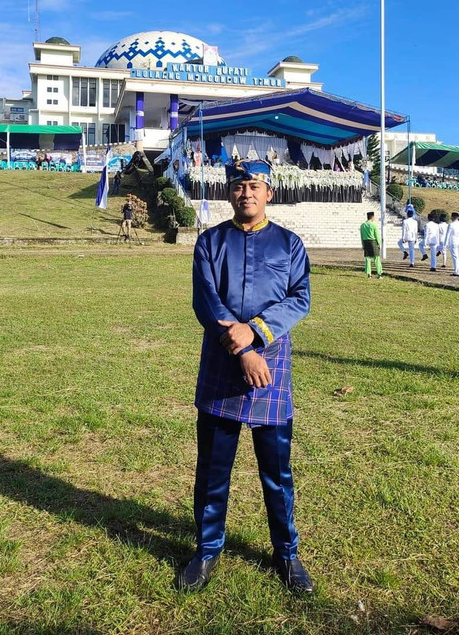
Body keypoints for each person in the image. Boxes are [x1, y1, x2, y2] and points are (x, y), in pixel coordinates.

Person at [178, 159, 313, 594]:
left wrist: (254, 335)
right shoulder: (209, 242)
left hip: (270, 369)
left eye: (255, 185)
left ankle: (287, 555)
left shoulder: (290, 245)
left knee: (277, 472)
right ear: (228, 193)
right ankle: (207, 548)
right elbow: (207, 302)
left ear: (269, 192)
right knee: (213, 470)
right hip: (223, 364)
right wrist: (242, 349)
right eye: (239, 186)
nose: (247, 193)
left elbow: (300, 299)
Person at [360, 211, 383, 278]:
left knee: (367, 258)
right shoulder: (374, 225)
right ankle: (379, 273)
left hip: (366, 242)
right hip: (373, 242)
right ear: (372, 217)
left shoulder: (363, 225)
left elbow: (361, 236)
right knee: (377, 258)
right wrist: (379, 243)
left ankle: (369, 274)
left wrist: (363, 244)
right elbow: (377, 235)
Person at [445, 212, 459, 276]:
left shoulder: (451, 225)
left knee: (455, 257)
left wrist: (445, 244)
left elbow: (447, 235)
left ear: (452, 217)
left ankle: (456, 271)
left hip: (454, 242)